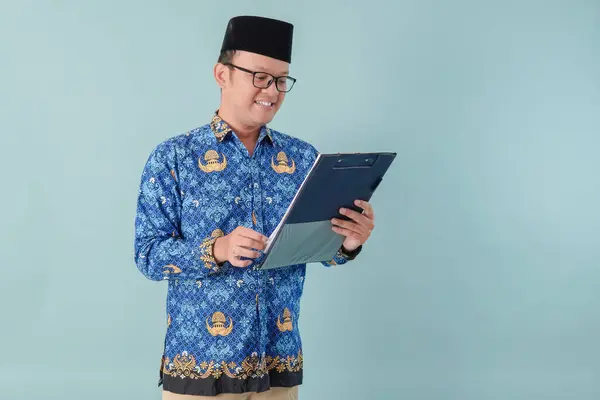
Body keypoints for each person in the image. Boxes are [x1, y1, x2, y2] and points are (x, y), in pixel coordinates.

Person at [134, 15, 376, 399]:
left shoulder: (302, 159)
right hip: (200, 368)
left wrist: (349, 242)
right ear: (222, 74)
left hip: (278, 366)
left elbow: (319, 247)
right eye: (260, 77)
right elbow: (147, 255)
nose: (273, 90)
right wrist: (217, 249)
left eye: (282, 80)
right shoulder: (173, 158)